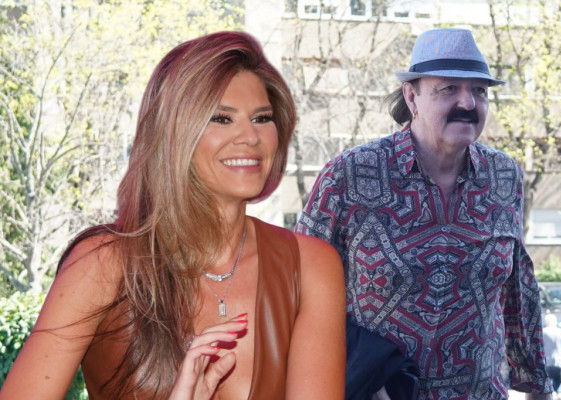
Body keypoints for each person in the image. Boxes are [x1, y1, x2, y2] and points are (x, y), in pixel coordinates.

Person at [0, 31, 346, 400]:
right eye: (221, 118)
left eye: (262, 118)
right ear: (171, 133)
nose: (250, 136)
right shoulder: (103, 263)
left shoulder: (310, 266)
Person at [295, 28, 553, 399]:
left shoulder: (504, 176)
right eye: (449, 88)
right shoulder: (349, 174)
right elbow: (297, 287)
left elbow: (518, 289)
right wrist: (362, 379)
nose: (468, 102)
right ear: (411, 96)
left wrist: (538, 388)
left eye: (480, 91)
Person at [543, 314, 561, 399]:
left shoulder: (543, 332)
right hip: (559, 361)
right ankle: (559, 395)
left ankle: (550, 396)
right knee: (558, 380)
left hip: (547, 362)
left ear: (546, 322)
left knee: (547, 382)